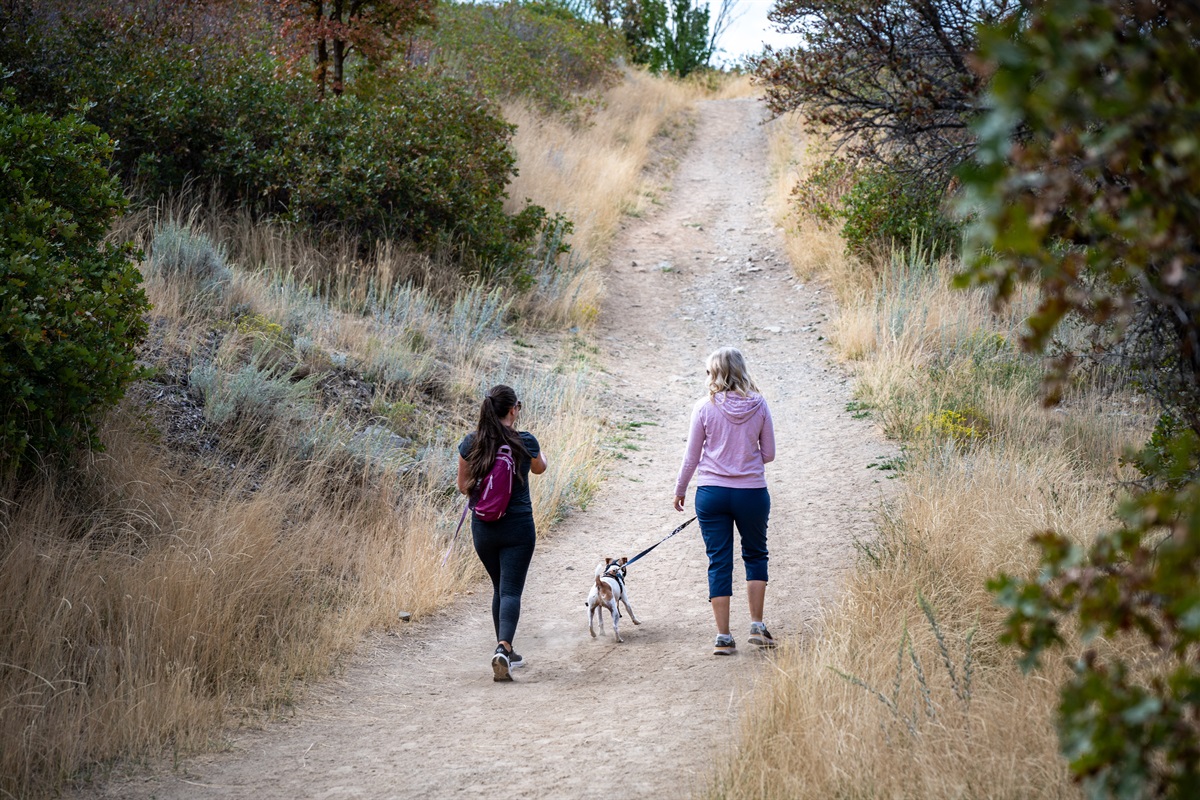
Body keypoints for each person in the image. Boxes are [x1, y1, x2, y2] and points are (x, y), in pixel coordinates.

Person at [673, 347, 776, 655]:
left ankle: (723, 637)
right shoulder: (759, 405)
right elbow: (769, 453)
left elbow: (692, 455)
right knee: (756, 555)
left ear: (715, 374)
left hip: (711, 494)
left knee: (719, 561)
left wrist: (680, 489)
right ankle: (757, 626)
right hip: (752, 493)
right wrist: (744, 458)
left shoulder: (703, 407)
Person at [457, 384, 548, 681]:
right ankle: (503, 647)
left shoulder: (472, 443)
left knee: (499, 587)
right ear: (513, 410)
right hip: (518, 526)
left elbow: (462, 486)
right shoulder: (524, 441)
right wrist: (532, 446)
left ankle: (505, 652)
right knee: (511, 590)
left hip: (484, 528)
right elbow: (540, 469)